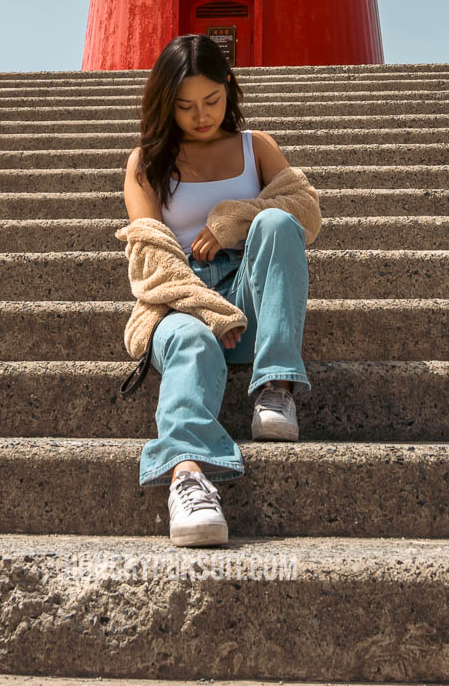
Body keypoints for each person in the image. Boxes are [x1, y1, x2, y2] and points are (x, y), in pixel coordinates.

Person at [122, 33, 312, 546]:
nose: (201, 115)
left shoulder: (257, 146)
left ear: (229, 86)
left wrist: (234, 219)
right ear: (166, 104)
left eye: (212, 100)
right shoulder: (146, 163)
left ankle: (275, 387)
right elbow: (149, 256)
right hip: (176, 300)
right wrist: (206, 308)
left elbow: (307, 213)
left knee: (276, 222)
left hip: (250, 304)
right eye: (184, 106)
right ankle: (187, 478)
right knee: (190, 340)